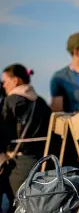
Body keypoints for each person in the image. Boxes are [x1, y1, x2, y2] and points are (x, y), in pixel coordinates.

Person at [0, 64, 51, 196]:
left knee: (18, 208)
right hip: (44, 162)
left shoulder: (10, 101)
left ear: (15, 80)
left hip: (18, 165)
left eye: (5, 81)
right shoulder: (41, 102)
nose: (3, 85)